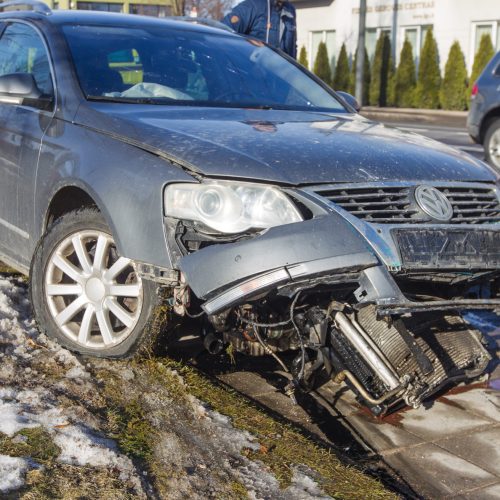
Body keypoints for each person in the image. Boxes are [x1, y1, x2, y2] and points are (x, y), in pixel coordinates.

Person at [221, 0, 297, 58]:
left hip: (278, 75)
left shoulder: (290, 10)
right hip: (252, 74)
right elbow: (222, 35)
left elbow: (293, 47)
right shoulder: (253, 5)